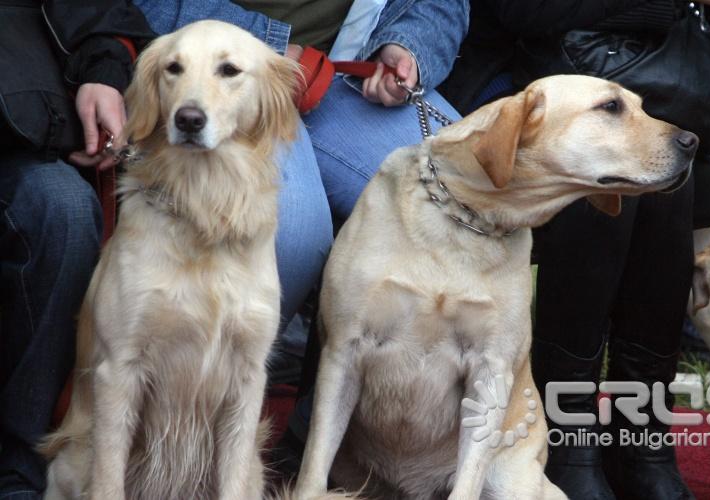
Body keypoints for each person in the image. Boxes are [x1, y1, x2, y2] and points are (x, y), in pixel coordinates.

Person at [440, 1, 710, 499]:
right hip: (529, 106)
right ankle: (567, 439)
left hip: (665, 106)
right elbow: (524, 11)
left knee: (660, 179)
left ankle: (642, 441)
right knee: (611, 180)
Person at [132, 0, 468, 353]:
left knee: (458, 204)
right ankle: (223, 371)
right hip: (220, 75)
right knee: (293, 236)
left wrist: (409, 46)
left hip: (347, 72)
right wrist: (265, 46)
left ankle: (321, 391)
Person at [0, 2, 154, 498]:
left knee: (64, 209)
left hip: (18, 143)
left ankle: (19, 465)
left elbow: (98, 11)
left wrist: (104, 73)